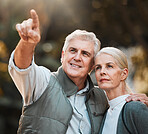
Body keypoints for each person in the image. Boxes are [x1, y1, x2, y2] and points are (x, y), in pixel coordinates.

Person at [8, 9, 148, 134]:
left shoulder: (102, 97)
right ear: (63, 55)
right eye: (73, 50)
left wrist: (140, 103)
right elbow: (22, 67)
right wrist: (27, 44)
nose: (77, 57)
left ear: (92, 65)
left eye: (85, 54)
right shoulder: (43, 82)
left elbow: (121, 101)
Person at [94, 47, 148, 134]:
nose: (102, 72)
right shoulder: (106, 113)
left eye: (109, 66)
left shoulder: (134, 108)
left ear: (124, 74)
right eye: (98, 67)